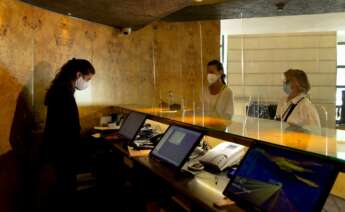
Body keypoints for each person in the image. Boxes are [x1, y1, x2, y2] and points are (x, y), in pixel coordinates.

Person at [40, 58, 95, 210]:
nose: (87, 84)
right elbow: (69, 129)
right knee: (66, 191)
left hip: (58, 151)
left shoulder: (60, 90)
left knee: (63, 189)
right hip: (63, 153)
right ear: (78, 75)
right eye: (87, 79)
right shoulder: (64, 94)